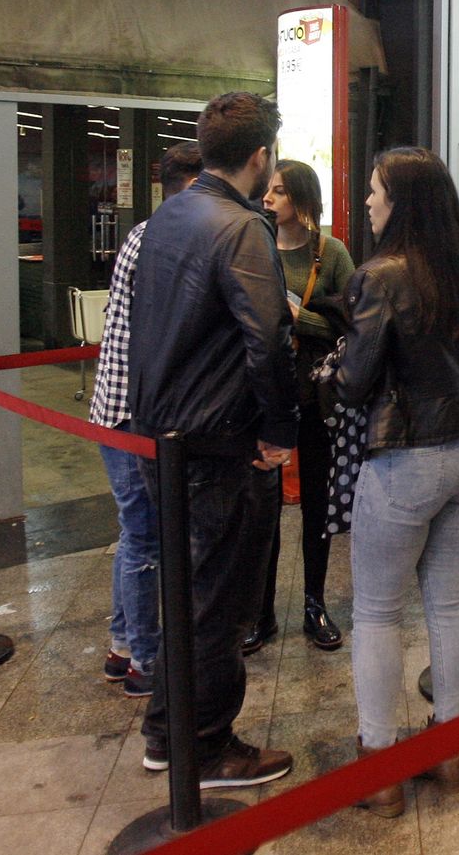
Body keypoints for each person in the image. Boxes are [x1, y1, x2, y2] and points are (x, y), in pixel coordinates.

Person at [128, 91, 297, 788]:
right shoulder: (240, 227)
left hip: (159, 437)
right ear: (261, 157)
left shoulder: (165, 218)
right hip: (216, 441)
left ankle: (169, 733)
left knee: (184, 592)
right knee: (218, 601)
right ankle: (209, 746)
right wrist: (280, 429)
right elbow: (268, 338)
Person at [337, 146, 459, 817]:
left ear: (401, 200)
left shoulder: (380, 276)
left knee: (378, 608)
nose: (371, 202)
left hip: (406, 454)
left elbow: (354, 383)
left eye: (377, 191)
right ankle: (449, 749)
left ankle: (380, 766)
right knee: (446, 600)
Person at [89, 141, 202, 699]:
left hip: (121, 411)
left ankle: (121, 645)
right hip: (134, 414)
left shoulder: (146, 235)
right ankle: (145, 661)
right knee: (144, 537)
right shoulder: (165, 237)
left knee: (137, 532)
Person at [246, 159, 356, 655]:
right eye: (268, 189)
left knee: (317, 500)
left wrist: (298, 317)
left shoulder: (330, 254)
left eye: (280, 191)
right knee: (262, 506)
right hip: (265, 390)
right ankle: (260, 611)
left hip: (315, 392)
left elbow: (353, 323)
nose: (268, 198)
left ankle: (314, 603)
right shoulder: (256, 244)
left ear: (303, 200)